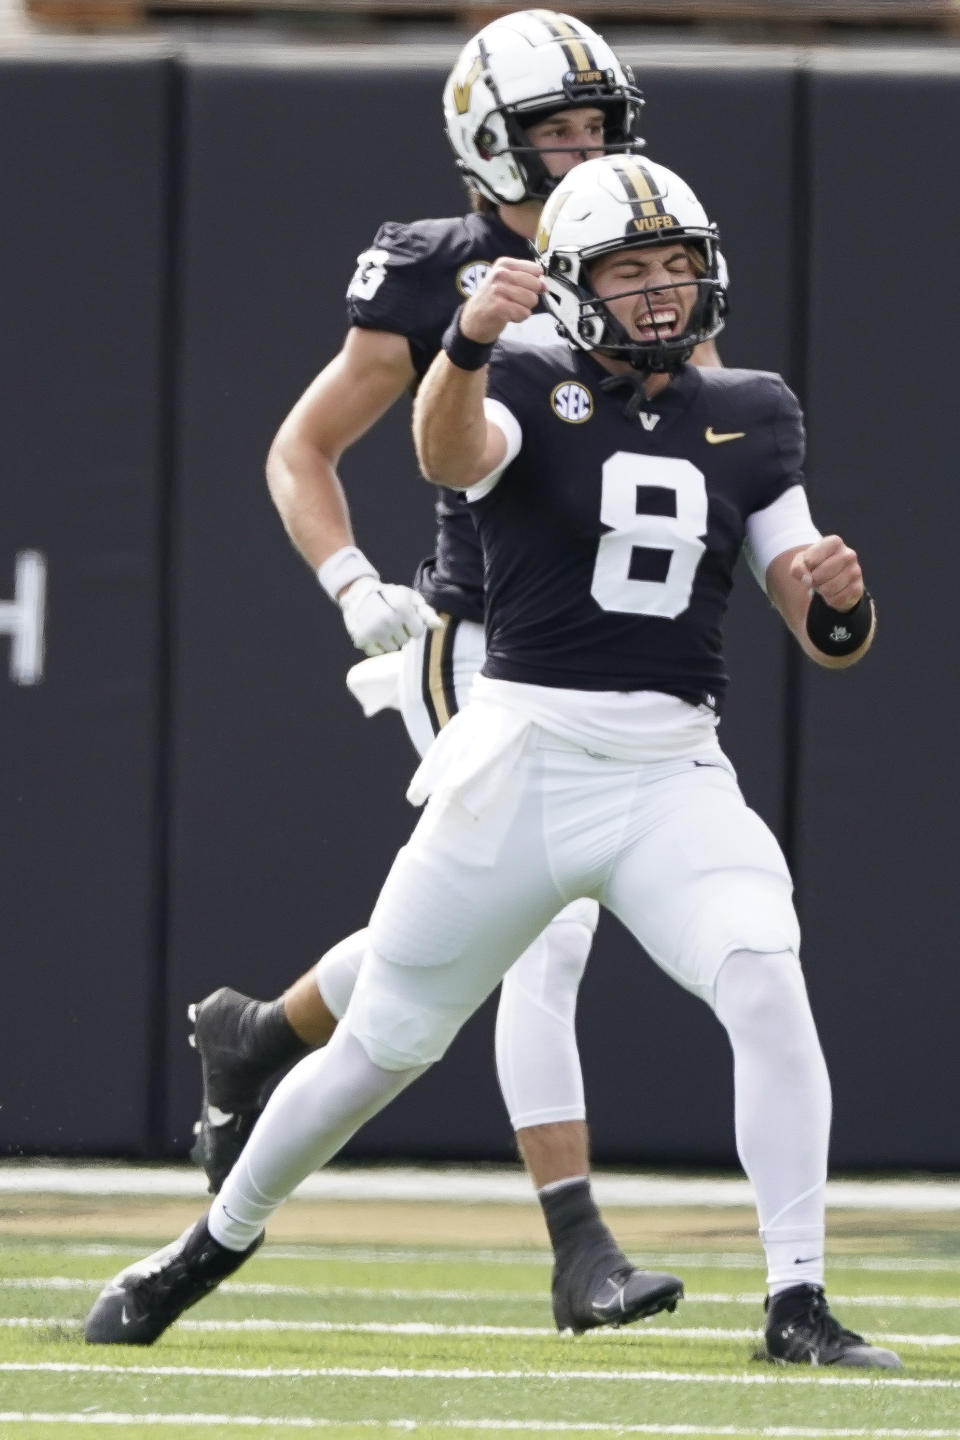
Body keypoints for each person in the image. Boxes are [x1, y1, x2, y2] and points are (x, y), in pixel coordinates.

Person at [86, 153, 899, 1370]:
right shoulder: (518, 375)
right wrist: (463, 345)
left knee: (768, 982)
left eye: (679, 263)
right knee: (382, 1047)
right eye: (631, 267)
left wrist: (841, 597)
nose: (663, 290)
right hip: (521, 755)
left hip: (672, 767)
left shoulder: (755, 409)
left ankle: (798, 1304)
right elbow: (448, 457)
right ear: (572, 283)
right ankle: (205, 1246)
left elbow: (819, 622)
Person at [184, 8, 692, 1338]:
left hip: (606, 651)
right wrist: (355, 585)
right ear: (492, 145)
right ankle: (579, 1244)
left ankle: (261, 1031)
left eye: (599, 129)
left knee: (467, 934)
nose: (584, 155)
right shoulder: (437, 271)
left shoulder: (644, 255)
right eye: (557, 133)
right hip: (482, 642)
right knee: (551, 927)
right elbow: (303, 451)